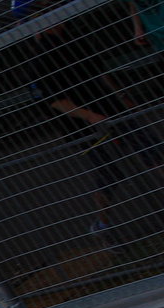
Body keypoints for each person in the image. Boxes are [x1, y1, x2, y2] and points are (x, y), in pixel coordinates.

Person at [33, 18, 164, 232]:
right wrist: (89, 116)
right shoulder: (40, 59)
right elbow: (55, 100)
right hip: (82, 126)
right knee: (109, 173)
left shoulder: (76, 42)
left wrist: (122, 96)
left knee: (153, 151)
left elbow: (100, 74)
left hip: (112, 109)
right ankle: (103, 224)